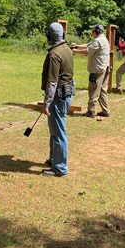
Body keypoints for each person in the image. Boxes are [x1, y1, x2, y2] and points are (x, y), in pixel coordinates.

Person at [41, 22, 75, 177]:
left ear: (49, 35)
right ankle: (54, 159)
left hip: (59, 96)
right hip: (66, 93)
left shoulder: (54, 54)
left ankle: (60, 168)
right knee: (55, 130)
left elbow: (52, 82)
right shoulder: (66, 49)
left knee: (58, 132)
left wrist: (46, 103)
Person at [71, 24, 111, 118]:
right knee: (102, 90)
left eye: (92, 31)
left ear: (97, 32)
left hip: (97, 70)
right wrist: (77, 46)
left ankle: (91, 111)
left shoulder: (98, 41)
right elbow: (89, 45)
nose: (91, 33)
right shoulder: (102, 39)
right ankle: (105, 110)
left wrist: (74, 51)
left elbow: (87, 51)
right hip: (104, 68)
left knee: (93, 89)